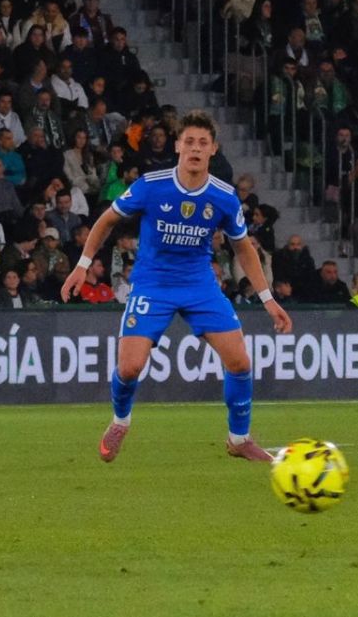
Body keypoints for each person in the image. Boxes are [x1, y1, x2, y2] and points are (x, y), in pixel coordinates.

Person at [60, 112, 291, 463]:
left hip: (200, 283)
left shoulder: (224, 197)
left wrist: (268, 299)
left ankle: (239, 438)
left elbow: (243, 248)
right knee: (130, 368)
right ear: (178, 146)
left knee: (240, 361)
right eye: (189, 142)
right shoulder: (153, 185)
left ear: (213, 149)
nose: (195, 148)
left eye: (203, 143)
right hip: (152, 284)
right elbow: (107, 219)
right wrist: (81, 265)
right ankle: (121, 421)